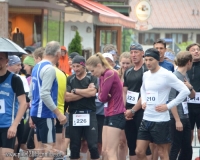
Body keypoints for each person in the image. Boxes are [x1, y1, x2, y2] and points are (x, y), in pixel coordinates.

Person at [135, 48, 190, 160]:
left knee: (162, 153)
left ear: (157, 60)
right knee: (139, 151)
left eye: (151, 59)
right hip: (146, 118)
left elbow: (185, 91)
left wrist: (168, 106)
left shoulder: (167, 74)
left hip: (161, 120)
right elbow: (143, 89)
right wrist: (144, 101)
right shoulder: (146, 74)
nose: (148, 63)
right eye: (146, 60)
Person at [29, 41, 67, 159]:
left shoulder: (37, 66)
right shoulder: (49, 69)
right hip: (44, 113)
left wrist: (32, 113)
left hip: (36, 112)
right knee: (49, 152)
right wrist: (59, 114)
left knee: (42, 152)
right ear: (58, 53)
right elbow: (45, 94)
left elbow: (31, 94)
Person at [86, 53, 126, 160]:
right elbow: (101, 95)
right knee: (104, 150)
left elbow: (102, 97)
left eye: (93, 71)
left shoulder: (109, 73)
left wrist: (102, 94)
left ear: (99, 65)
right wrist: (102, 94)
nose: (92, 74)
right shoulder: (102, 76)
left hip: (116, 113)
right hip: (108, 112)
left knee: (111, 150)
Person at [65, 55, 99, 160]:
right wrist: (85, 92)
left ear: (83, 66)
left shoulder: (92, 78)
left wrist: (75, 91)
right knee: (74, 146)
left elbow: (93, 93)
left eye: (77, 66)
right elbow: (67, 98)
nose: (75, 69)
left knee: (93, 146)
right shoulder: (70, 79)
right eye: (73, 66)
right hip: (74, 114)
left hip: (89, 113)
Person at [123, 43, 151, 160]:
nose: (133, 55)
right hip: (128, 112)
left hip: (141, 111)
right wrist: (125, 110)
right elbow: (124, 91)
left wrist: (133, 110)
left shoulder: (146, 71)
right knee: (131, 144)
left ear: (142, 53)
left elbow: (145, 93)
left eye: (136, 52)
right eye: (132, 52)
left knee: (144, 145)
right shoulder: (128, 71)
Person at [0, 52, 27, 160]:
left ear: (7, 61)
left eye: (1, 58)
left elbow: (24, 103)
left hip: (7, 125)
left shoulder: (15, 79)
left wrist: (14, 125)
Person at [169, 51, 195, 160]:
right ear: (189, 62)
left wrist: (190, 87)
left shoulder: (185, 76)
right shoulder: (174, 77)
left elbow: (192, 96)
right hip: (177, 118)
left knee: (187, 148)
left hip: (185, 116)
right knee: (175, 147)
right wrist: (177, 120)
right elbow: (171, 100)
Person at [7, 55, 30, 159]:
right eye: (17, 65)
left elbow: (25, 99)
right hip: (5, 117)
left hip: (18, 116)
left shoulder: (20, 78)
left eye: (21, 64)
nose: (20, 67)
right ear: (9, 65)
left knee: (18, 143)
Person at [186, 43, 200, 142]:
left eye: (198, 49)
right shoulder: (184, 67)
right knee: (188, 135)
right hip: (188, 105)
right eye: (193, 50)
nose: (196, 51)